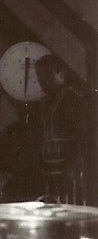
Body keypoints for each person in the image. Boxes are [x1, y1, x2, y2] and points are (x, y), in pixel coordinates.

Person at [35, 54, 88, 203]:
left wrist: (72, 166)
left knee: (69, 208)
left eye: (46, 74)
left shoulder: (73, 99)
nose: (40, 80)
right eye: (38, 75)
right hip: (49, 169)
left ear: (60, 72)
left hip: (68, 169)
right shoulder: (44, 102)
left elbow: (80, 136)